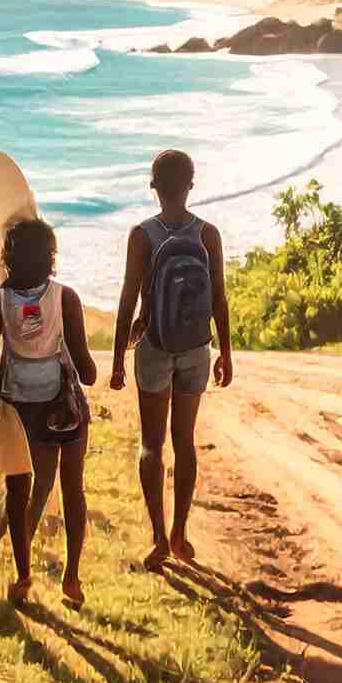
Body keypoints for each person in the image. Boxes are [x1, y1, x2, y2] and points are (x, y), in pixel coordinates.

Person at [0, 217, 98, 609]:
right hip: (65, 409)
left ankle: (23, 576)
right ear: (51, 259)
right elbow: (87, 373)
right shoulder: (65, 298)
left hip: (20, 411)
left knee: (21, 491)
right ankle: (71, 576)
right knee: (73, 488)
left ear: (7, 261)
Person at [111, 149, 232, 571]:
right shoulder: (208, 234)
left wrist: (115, 360)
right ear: (192, 185)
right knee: (185, 442)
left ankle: (159, 538)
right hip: (197, 348)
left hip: (155, 347)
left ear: (153, 186)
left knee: (151, 444)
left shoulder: (142, 235)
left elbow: (129, 298)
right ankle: (181, 533)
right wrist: (226, 354)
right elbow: (218, 296)